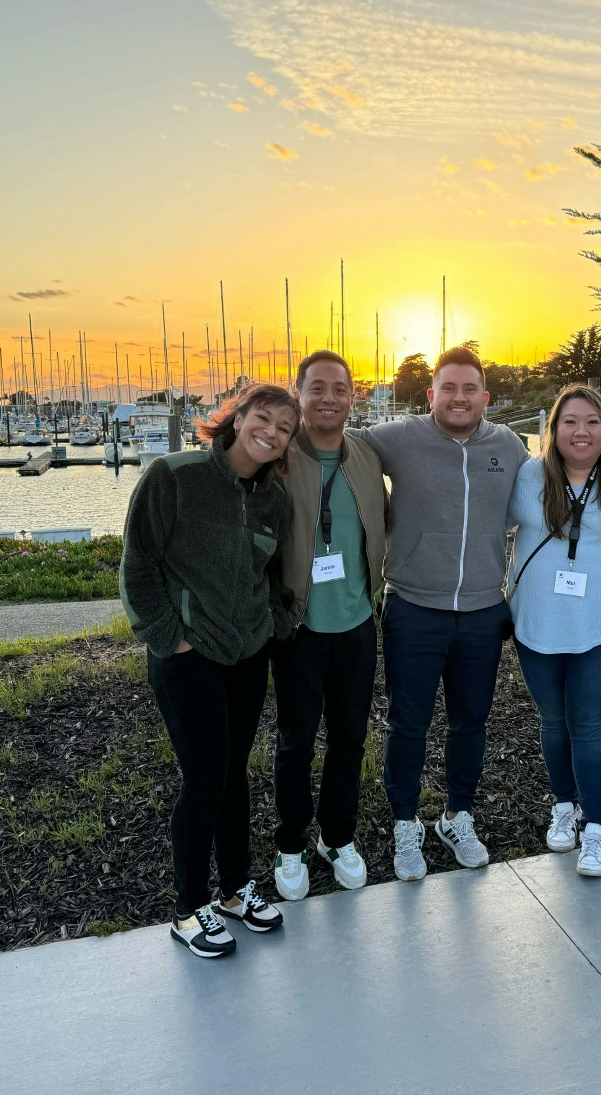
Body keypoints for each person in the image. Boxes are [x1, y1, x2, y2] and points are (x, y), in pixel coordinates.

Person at [120, 383, 299, 958]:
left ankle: (233, 889)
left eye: (284, 429)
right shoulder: (174, 477)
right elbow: (139, 564)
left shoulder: (275, 499)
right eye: (263, 418)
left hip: (249, 655)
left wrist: (275, 622)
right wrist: (168, 639)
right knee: (204, 781)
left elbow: (270, 576)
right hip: (187, 659)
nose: (270, 433)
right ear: (237, 417)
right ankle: (188, 907)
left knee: (234, 776)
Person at [355, 345, 529, 881]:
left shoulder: (510, 446)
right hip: (413, 607)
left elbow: (550, 494)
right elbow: (335, 443)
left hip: (482, 610)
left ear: (485, 396)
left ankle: (457, 816)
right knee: (408, 724)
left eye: (469, 389)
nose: (458, 398)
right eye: (447, 388)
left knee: (469, 723)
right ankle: (405, 825)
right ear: (430, 395)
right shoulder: (399, 437)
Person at [506, 385, 601, 878]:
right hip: (537, 622)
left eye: (592, 421)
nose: (580, 431)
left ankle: (596, 829)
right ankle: (562, 805)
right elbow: (481, 525)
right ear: (553, 429)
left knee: (589, 726)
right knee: (552, 721)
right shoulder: (527, 476)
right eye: (570, 421)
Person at [270, 350, 387, 901]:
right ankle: (290, 843)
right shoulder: (279, 458)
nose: (329, 398)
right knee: (296, 742)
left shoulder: (365, 458)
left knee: (349, 739)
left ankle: (337, 837)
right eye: (317, 388)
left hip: (357, 623)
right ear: (300, 393)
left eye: (340, 389)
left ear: (352, 397)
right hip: (299, 629)